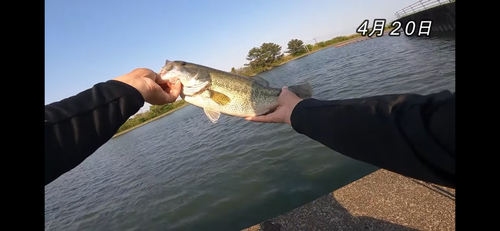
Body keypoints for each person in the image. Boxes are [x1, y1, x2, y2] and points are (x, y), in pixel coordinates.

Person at [45, 68, 455, 189]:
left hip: (276, 101)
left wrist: (298, 109)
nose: (173, 70)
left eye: (181, 68)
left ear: (194, 76)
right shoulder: (196, 91)